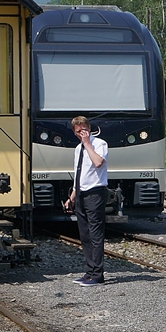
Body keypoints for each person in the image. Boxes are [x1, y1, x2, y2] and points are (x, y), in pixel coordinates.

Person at [62, 115, 110, 286]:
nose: (82, 133)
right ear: (75, 133)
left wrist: (88, 143)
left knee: (96, 235)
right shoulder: (77, 149)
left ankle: (98, 275)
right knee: (85, 235)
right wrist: (72, 197)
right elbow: (79, 174)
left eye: (84, 129)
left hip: (95, 193)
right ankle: (89, 272)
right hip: (81, 193)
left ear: (89, 128)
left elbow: (98, 163)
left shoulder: (100, 144)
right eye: (78, 131)